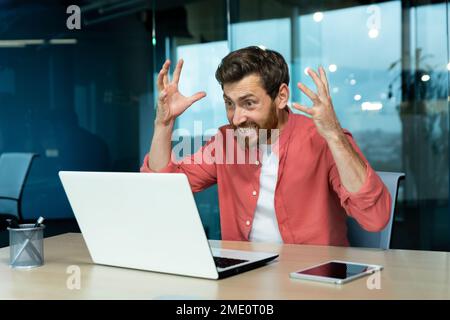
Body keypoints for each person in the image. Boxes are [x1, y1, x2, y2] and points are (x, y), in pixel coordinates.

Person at [140, 46, 391, 246]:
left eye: (249, 103)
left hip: (312, 282)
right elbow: (162, 186)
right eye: (230, 103)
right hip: (242, 280)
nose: (236, 118)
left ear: (281, 96)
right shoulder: (227, 142)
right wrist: (164, 123)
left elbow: (375, 218)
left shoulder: (322, 139)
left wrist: (335, 136)